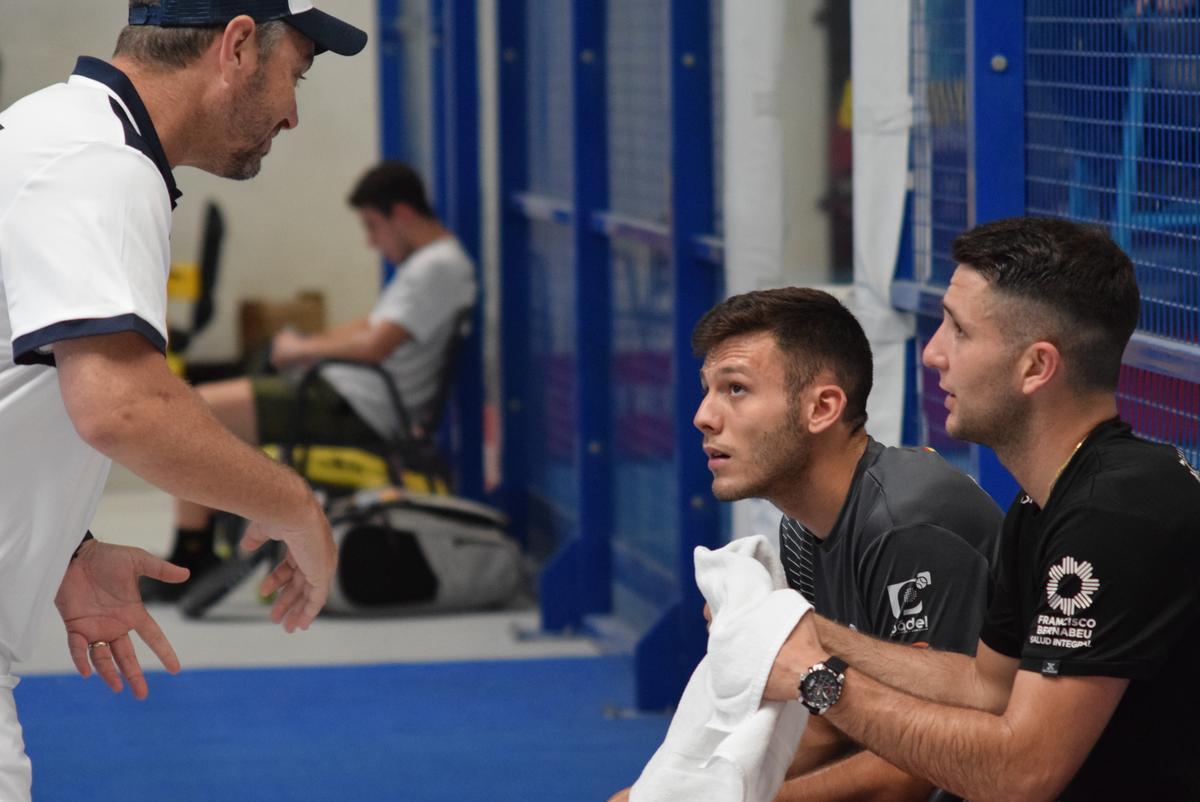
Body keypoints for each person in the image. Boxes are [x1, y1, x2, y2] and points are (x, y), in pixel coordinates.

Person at [0, 2, 366, 797]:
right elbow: (121, 407)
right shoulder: (95, 162)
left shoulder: (56, 127)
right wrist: (295, 506)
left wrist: (66, 548)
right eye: (293, 76)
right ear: (237, 46)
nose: (294, 114)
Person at [764, 217, 1200, 800]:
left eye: (959, 331)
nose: (934, 353)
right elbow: (985, 686)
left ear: (1036, 367)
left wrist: (818, 677)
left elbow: (1020, 775)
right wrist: (811, 635)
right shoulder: (1048, 497)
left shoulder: (1112, 516)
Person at [613, 287, 1003, 801]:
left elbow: (913, 773)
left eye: (735, 389)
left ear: (822, 407)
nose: (703, 417)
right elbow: (827, 718)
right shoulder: (800, 527)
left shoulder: (910, 523)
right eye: (708, 390)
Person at [146, 160, 477, 601]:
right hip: (343, 393)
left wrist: (303, 351)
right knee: (206, 401)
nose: (371, 241)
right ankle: (200, 543)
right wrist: (305, 345)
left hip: (355, 408)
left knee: (196, 408)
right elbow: (368, 326)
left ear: (401, 215)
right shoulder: (429, 265)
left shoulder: (438, 267)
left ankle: (192, 555)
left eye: (374, 226)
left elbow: (375, 345)